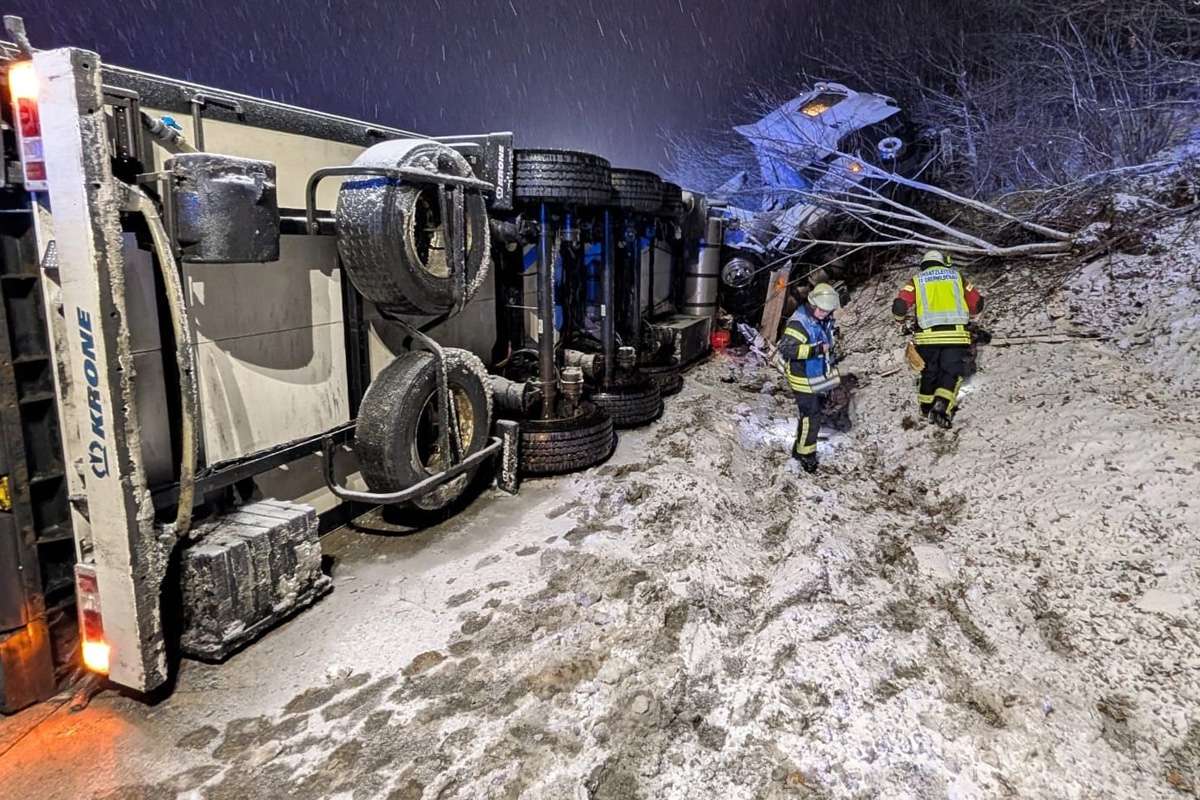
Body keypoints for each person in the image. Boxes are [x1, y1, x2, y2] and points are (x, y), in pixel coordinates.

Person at [892, 250, 983, 428]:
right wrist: (967, 312)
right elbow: (977, 303)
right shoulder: (957, 277)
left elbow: (900, 305)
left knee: (929, 372)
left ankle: (926, 409)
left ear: (924, 264)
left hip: (927, 338)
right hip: (956, 336)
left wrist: (900, 321)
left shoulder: (917, 280)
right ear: (943, 262)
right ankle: (941, 406)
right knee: (951, 372)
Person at [777, 283, 841, 473]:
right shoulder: (800, 323)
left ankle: (800, 449)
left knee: (811, 415)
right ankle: (805, 455)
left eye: (827, 311)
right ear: (813, 304)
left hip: (813, 376)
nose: (824, 314)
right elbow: (787, 348)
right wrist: (816, 350)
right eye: (821, 310)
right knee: (811, 417)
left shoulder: (821, 320)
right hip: (801, 377)